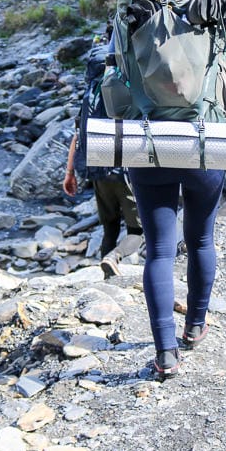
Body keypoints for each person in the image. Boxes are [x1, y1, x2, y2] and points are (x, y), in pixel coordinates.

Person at [123, 0, 226, 380]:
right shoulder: (217, 4)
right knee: (202, 238)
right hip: (208, 139)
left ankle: (166, 352)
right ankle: (196, 326)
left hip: (147, 141)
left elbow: (111, 75)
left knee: (159, 250)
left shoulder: (133, 6)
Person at [63, 30, 143, 279]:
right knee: (137, 231)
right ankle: (114, 257)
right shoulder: (123, 89)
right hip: (124, 169)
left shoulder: (89, 95)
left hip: (96, 167)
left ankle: (104, 277)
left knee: (109, 226)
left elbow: (78, 134)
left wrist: (69, 172)